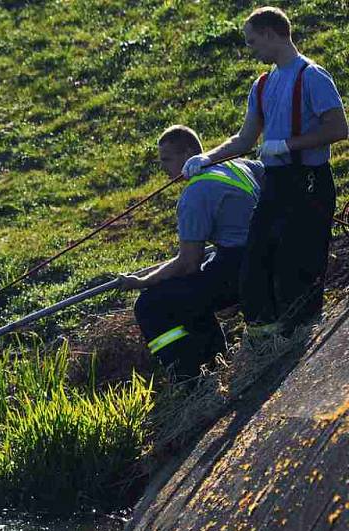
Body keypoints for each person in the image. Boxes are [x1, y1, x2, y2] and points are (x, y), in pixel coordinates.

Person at [183, 6, 348, 333]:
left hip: (309, 182)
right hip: (275, 183)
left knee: (297, 260)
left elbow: (339, 128)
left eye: (252, 41)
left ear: (272, 35)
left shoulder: (311, 76)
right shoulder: (261, 85)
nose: (250, 48)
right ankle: (266, 338)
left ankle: (299, 334)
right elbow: (244, 139)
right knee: (256, 259)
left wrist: (287, 144)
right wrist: (207, 158)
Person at [120, 125, 263, 377]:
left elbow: (188, 263)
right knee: (191, 291)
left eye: (167, 159)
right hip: (266, 254)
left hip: (241, 267)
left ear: (187, 154)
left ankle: (189, 377)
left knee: (151, 305)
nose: (163, 167)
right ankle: (216, 359)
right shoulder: (236, 165)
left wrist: (141, 281)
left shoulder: (196, 193)